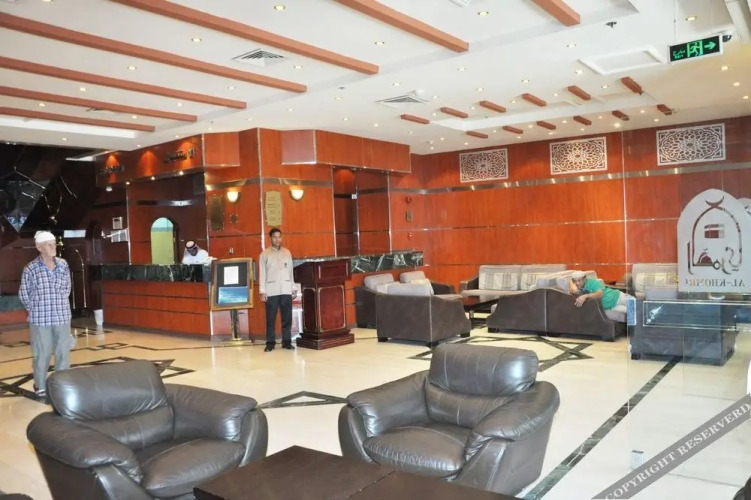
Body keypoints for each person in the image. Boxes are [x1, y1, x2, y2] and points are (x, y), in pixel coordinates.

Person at [19, 231, 72, 398]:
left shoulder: (63, 264)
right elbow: (24, 293)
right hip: (40, 319)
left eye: (54, 244)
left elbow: (67, 288)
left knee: (63, 353)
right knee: (42, 354)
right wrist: (35, 308)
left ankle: (62, 385)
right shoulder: (31, 269)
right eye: (49, 245)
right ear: (39, 247)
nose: (53, 247)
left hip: (62, 316)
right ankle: (40, 386)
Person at [258, 228, 297, 352]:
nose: (277, 239)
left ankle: (287, 342)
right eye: (275, 237)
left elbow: (290, 272)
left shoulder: (287, 253)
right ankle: (270, 343)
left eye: (279, 237)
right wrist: (262, 291)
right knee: (270, 319)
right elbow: (262, 274)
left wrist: (293, 287)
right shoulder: (264, 254)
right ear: (270, 238)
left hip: (285, 289)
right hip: (271, 290)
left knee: (287, 318)